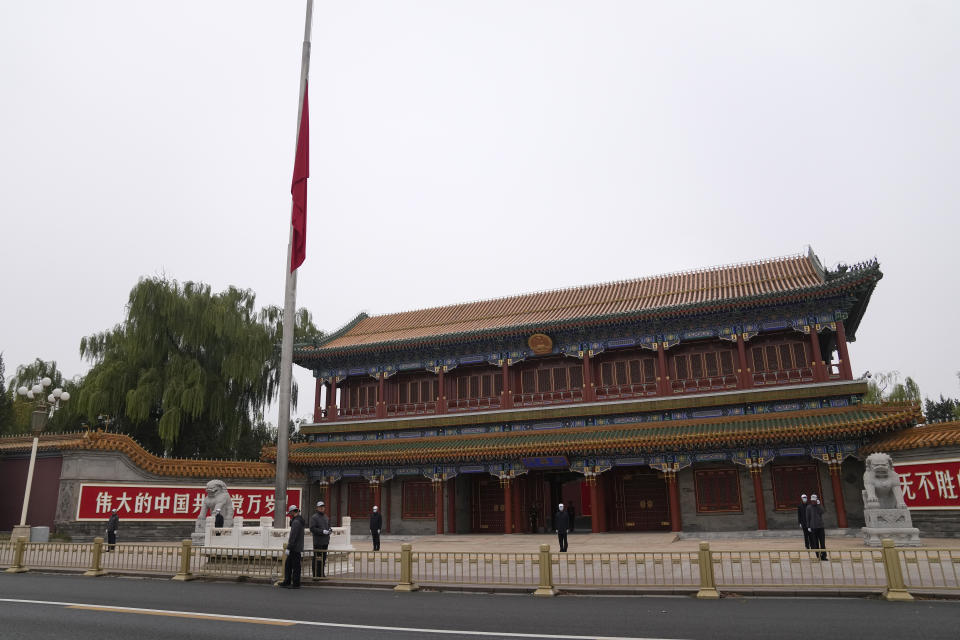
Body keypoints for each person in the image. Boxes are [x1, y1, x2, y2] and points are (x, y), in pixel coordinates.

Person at [279, 505, 305, 589]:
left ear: (293, 512)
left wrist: (289, 548)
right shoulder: (298, 520)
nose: (289, 514)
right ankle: (287, 581)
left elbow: (293, 536)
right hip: (296, 547)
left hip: (294, 548)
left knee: (295, 567)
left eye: (290, 513)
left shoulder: (296, 522)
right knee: (288, 565)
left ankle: (295, 583)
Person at [309, 501, 331, 580]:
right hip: (318, 541)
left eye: (323, 507)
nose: (322, 508)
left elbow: (328, 526)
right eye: (320, 507)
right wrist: (322, 531)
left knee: (323, 559)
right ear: (317, 508)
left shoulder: (326, 517)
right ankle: (315, 575)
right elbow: (312, 528)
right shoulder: (314, 517)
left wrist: (329, 530)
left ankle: (321, 574)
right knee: (317, 559)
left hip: (325, 541)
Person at [806, 493, 827, 560]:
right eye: (812, 500)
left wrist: (819, 505)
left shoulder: (819, 506)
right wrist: (808, 526)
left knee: (822, 543)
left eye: (814, 500)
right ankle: (818, 556)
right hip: (813, 527)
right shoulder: (809, 507)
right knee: (816, 543)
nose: (813, 502)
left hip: (820, 527)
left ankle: (824, 556)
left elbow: (822, 512)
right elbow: (808, 517)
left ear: (816, 500)